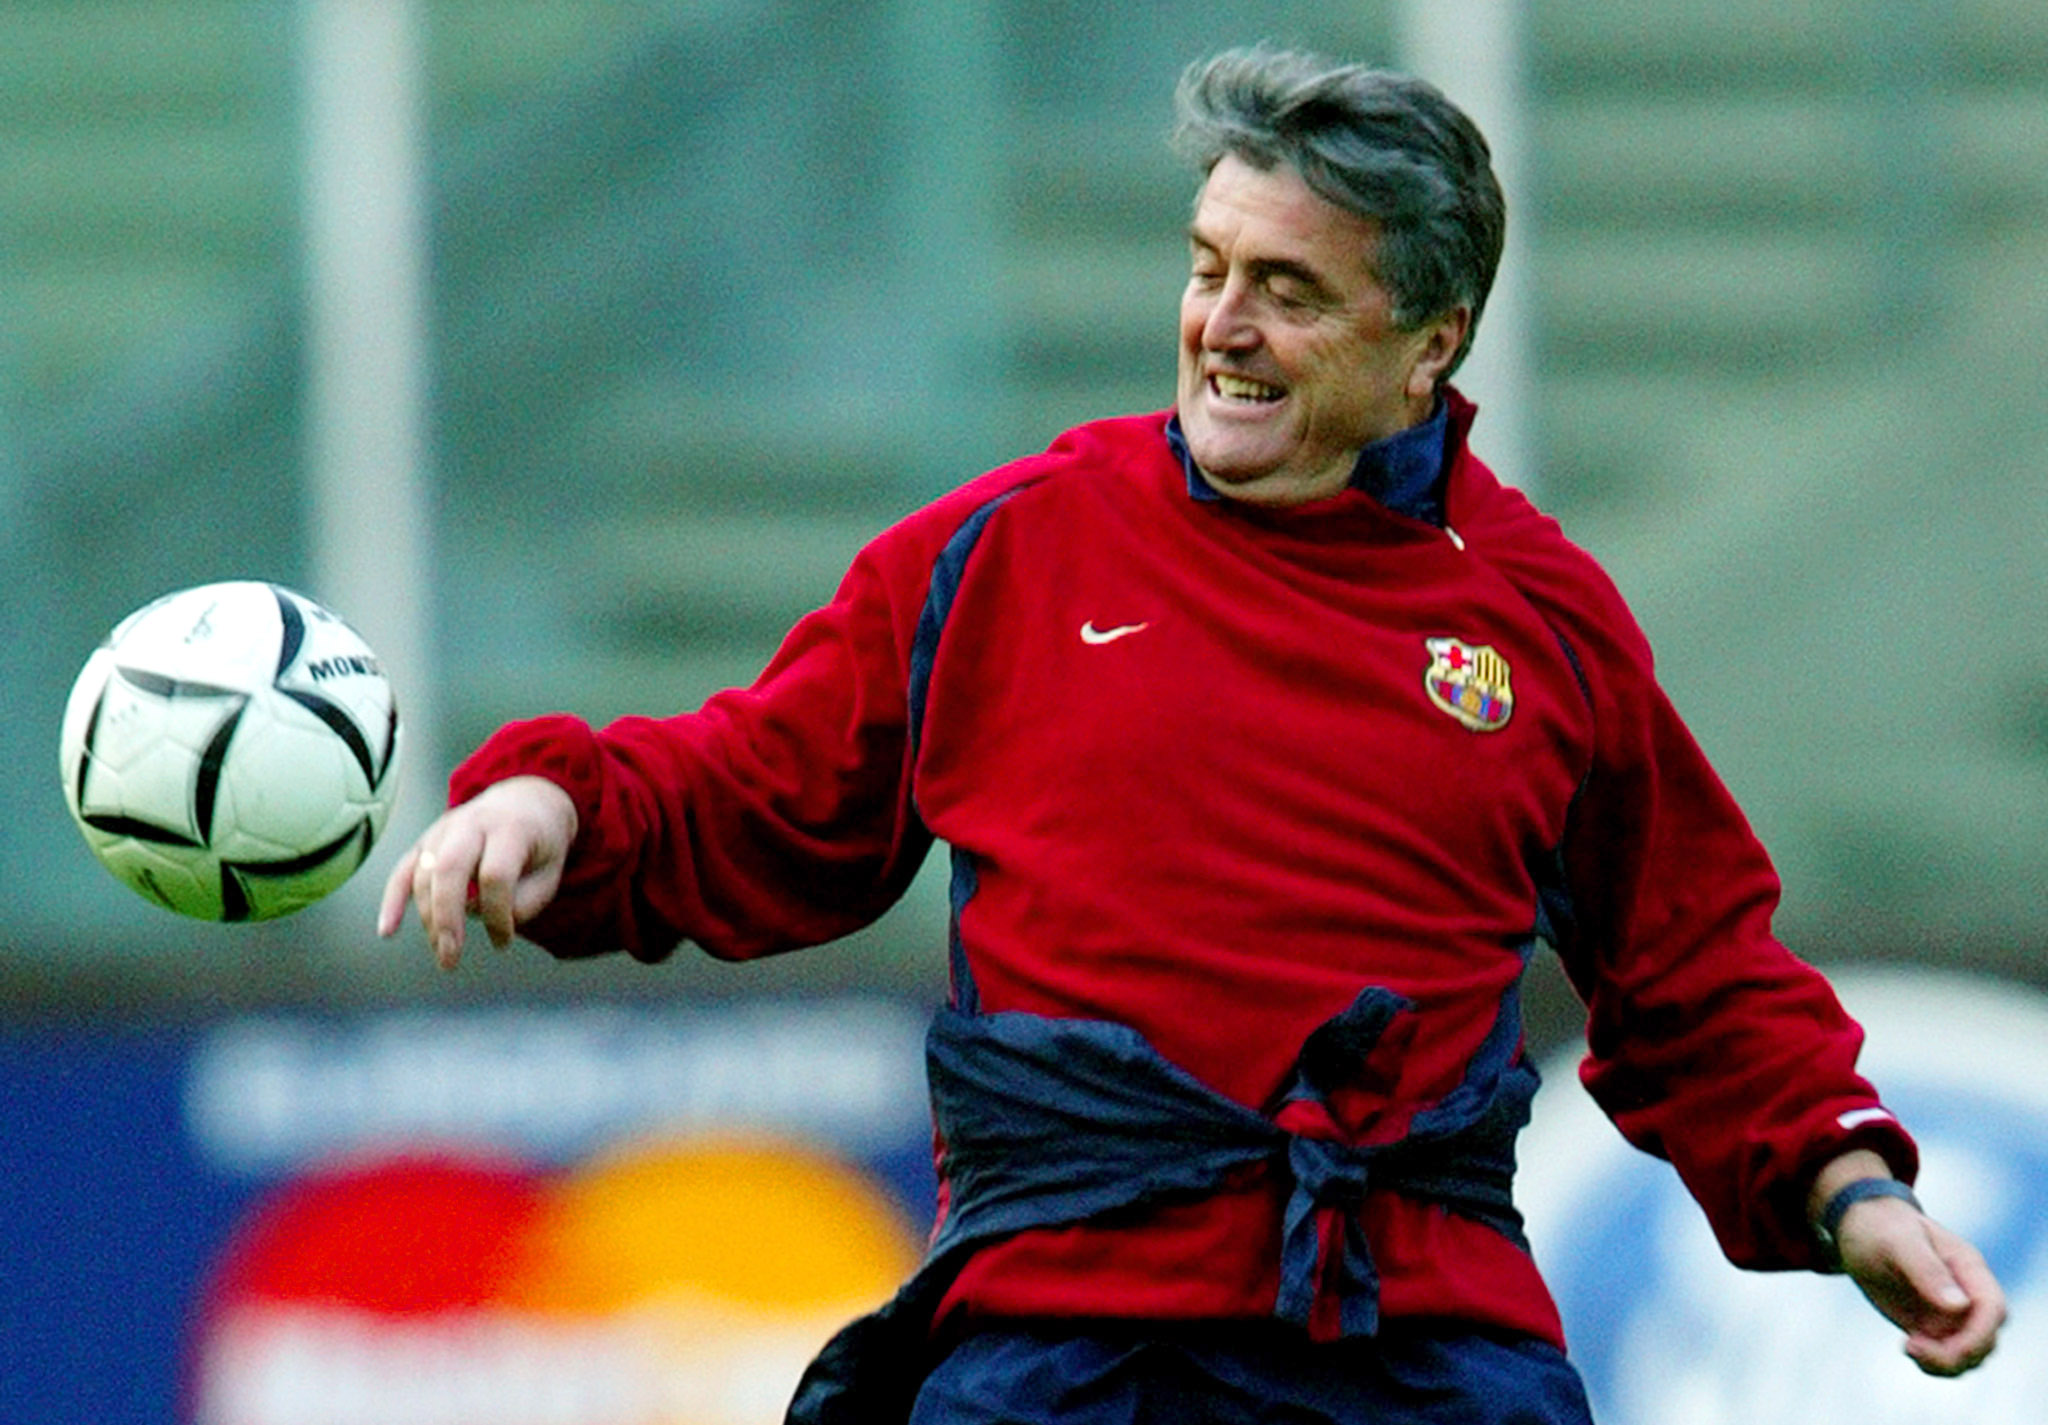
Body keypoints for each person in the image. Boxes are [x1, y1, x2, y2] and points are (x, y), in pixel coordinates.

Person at [377, 45, 2005, 1424]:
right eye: (1209, 265)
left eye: (1288, 291)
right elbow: (758, 790)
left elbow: (1695, 968)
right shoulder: (1010, 550)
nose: (1222, 322)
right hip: (1059, 1336)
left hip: (1419, 1348)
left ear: (1429, 343)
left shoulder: (1539, 619)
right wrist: (554, 805)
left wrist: (1849, 1190)